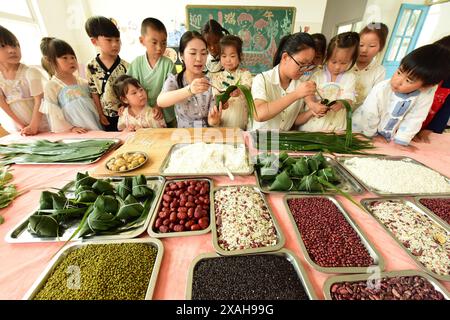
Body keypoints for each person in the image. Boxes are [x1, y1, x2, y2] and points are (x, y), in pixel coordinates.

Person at [352, 44, 448, 146]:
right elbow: (370, 113)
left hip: (388, 135)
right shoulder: (382, 89)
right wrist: (372, 134)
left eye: (408, 80)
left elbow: (415, 118)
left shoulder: (425, 94)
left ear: (426, 86)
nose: (397, 82)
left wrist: (402, 140)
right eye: (399, 72)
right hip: (362, 128)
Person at [249, 32, 317, 131]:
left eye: (308, 65)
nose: (304, 70)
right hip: (261, 139)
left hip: (283, 140)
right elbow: (259, 114)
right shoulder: (262, 79)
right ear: (285, 57)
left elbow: (293, 120)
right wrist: (297, 94)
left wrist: (313, 110)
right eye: (302, 64)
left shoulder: (300, 84)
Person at [157, 31, 223, 128]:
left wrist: (214, 121)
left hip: (206, 137)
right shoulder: (174, 80)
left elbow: (213, 121)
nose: (199, 58)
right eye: (193, 53)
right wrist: (190, 90)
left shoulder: (211, 83)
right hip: (183, 137)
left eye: (203, 53)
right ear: (181, 55)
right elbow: (161, 101)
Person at [298, 32, 359, 132]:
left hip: (336, 124)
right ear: (327, 56)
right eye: (333, 61)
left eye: (344, 63)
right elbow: (308, 93)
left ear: (352, 60)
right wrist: (313, 104)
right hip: (315, 123)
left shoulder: (350, 77)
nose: (337, 67)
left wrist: (341, 104)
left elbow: (350, 98)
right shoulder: (318, 75)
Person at [39, 37, 103, 133]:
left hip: (95, 127)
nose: (71, 61)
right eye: (65, 58)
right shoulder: (52, 86)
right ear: (51, 61)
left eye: (73, 57)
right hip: (76, 133)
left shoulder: (84, 83)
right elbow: (54, 116)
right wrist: (71, 128)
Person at [0, 25, 48, 135]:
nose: (12, 50)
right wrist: (20, 125)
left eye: (16, 45)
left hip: (40, 123)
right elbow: (2, 103)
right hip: (18, 125)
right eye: (3, 46)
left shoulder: (30, 72)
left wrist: (34, 125)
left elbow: (40, 100)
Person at [85, 16, 129, 131]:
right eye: (109, 40)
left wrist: (127, 108)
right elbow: (94, 93)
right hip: (106, 117)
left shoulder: (126, 66)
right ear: (94, 41)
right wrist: (100, 114)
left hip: (125, 115)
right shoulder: (91, 66)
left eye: (117, 40)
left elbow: (129, 92)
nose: (115, 44)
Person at [127, 18, 172, 126]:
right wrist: (125, 106)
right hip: (143, 115)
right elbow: (128, 89)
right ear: (142, 41)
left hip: (165, 114)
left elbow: (169, 89)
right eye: (154, 42)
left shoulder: (168, 64)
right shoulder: (136, 64)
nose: (159, 48)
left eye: (163, 43)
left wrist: (158, 106)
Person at [209, 35, 252, 130]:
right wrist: (220, 102)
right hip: (223, 123)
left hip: (241, 124)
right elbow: (216, 96)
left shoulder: (245, 74)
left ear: (240, 56)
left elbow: (247, 86)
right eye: (224, 56)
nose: (228, 60)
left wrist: (239, 90)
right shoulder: (216, 77)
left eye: (232, 56)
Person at [414, 35, 450, 142]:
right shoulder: (419, 77)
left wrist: (431, 129)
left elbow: (446, 109)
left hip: (427, 126)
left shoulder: (448, 83)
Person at [352, 22, 389, 107]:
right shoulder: (346, 64)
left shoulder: (379, 71)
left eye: (372, 46)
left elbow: (375, 98)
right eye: (361, 45)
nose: (364, 50)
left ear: (381, 47)